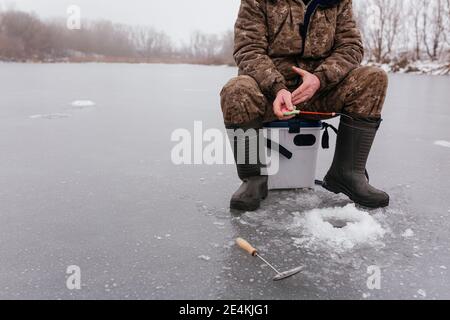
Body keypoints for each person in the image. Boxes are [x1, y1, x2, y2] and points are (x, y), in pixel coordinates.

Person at [220, 0, 389, 211]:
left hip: (319, 91)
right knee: (236, 90)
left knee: (373, 78)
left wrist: (320, 79)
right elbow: (248, 49)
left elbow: (351, 47)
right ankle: (253, 179)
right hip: (269, 93)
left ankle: (347, 174)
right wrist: (277, 87)